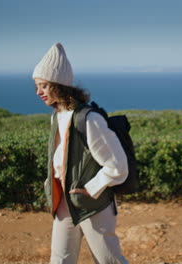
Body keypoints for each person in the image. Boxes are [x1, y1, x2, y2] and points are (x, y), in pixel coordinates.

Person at [33, 42, 129, 264]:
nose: (38, 92)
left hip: (93, 204)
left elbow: (118, 166)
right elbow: (63, 156)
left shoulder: (89, 119)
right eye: (37, 86)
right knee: (60, 260)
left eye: (44, 86)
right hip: (65, 201)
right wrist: (52, 180)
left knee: (107, 260)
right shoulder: (57, 116)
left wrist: (90, 188)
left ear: (60, 85)